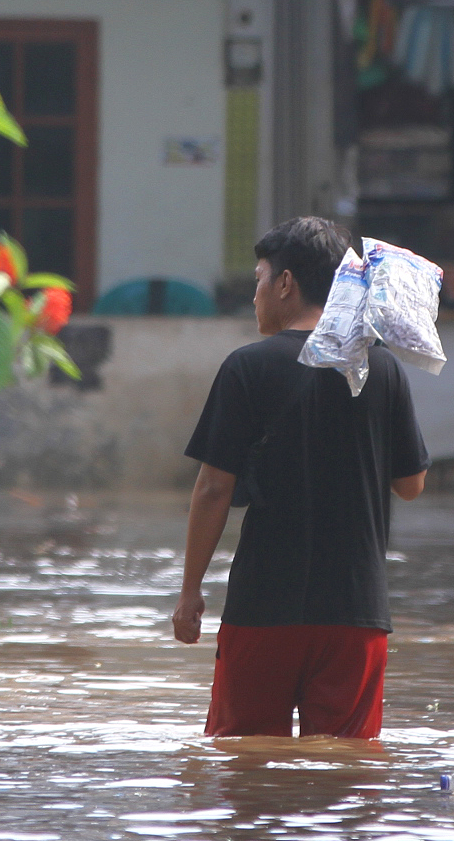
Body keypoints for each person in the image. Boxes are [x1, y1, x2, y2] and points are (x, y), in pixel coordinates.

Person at [171, 216, 430, 739]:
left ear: (286, 283)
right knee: (345, 776)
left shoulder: (248, 367)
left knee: (245, 768)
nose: (255, 295)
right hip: (356, 612)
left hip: (264, 608)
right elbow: (411, 485)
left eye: (259, 279)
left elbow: (214, 488)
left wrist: (190, 591)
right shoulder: (380, 369)